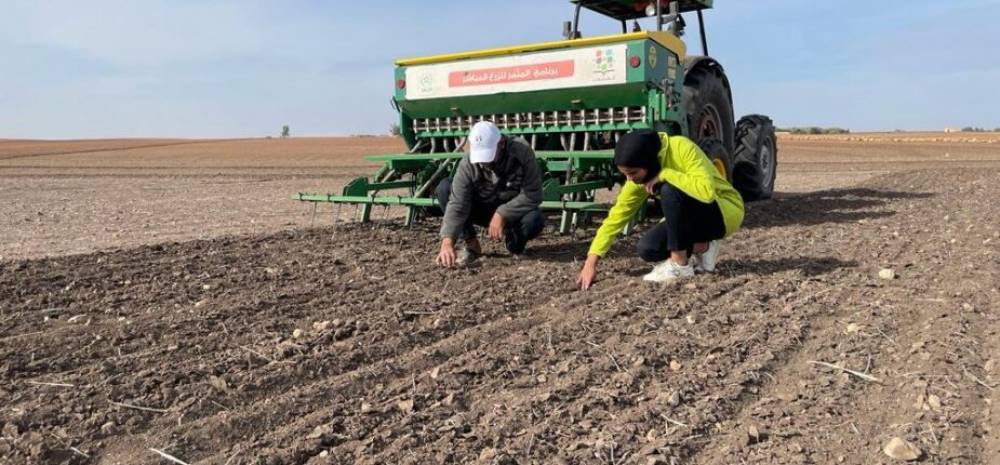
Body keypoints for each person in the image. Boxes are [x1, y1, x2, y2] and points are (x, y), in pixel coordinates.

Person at [577, 130, 744, 289]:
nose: (629, 179)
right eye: (625, 174)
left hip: (724, 211)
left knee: (669, 189)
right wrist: (590, 263)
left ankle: (680, 266)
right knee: (648, 248)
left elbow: (706, 192)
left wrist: (666, 174)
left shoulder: (682, 147)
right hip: (692, 221)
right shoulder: (639, 177)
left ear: (648, 162)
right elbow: (616, 217)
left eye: (632, 173)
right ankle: (704, 246)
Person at [436, 121, 545, 267]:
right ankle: (471, 243)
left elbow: (533, 194)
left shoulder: (522, 151)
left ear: (501, 143)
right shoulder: (469, 162)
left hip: (512, 211)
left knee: (535, 219)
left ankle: (513, 244)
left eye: (489, 154)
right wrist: (447, 242)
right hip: (483, 206)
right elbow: (458, 202)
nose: (485, 161)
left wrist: (503, 214)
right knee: (445, 188)